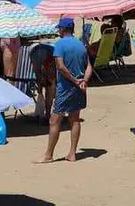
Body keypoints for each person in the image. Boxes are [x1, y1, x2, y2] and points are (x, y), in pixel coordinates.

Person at [35, 18, 93, 164]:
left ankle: (48, 155)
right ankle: (72, 153)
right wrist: (84, 81)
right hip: (80, 87)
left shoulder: (59, 44)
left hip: (66, 87)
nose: (58, 31)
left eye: (59, 28)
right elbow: (89, 66)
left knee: (55, 120)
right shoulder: (81, 44)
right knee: (75, 119)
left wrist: (74, 80)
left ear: (63, 29)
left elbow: (60, 66)